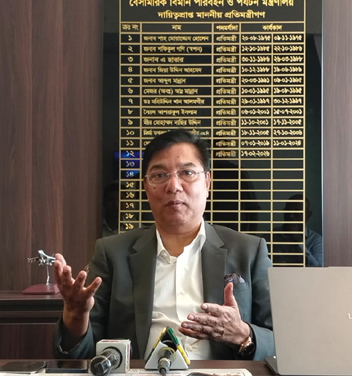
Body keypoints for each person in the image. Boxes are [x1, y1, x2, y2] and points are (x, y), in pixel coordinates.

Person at [52, 129, 274, 361]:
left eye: (187, 172)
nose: (173, 186)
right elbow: (80, 354)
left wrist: (243, 335)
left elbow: (281, 342)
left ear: (207, 182)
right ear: (146, 188)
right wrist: (75, 316)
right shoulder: (112, 253)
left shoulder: (249, 251)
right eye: (159, 175)